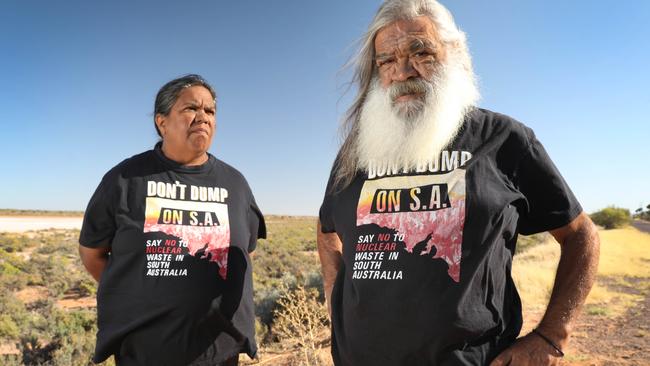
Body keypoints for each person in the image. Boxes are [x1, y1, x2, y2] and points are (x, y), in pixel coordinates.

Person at [317, 1, 600, 365]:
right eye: (386, 60)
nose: (401, 72)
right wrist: (333, 298)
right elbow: (327, 230)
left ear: (454, 55)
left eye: (420, 52)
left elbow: (581, 236)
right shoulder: (358, 149)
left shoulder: (505, 140)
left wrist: (551, 336)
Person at [79, 74, 266, 366]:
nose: (203, 117)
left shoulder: (236, 184)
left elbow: (246, 250)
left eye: (210, 111)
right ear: (161, 122)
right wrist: (137, 292)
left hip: (219, 353)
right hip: (144, 352)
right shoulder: (124, 180)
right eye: (191, 108)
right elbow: (92, 253)